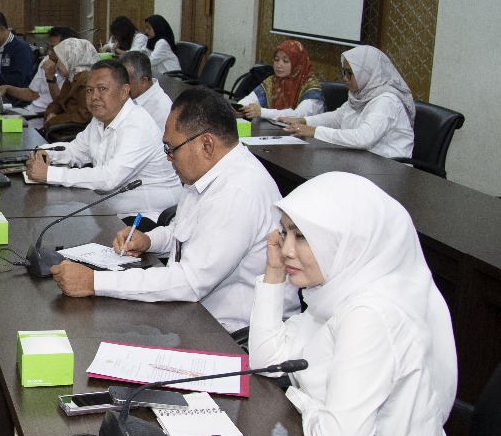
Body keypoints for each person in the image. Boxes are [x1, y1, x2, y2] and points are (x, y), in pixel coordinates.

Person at [248, 172, 457, 436]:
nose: (286, 249)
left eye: (301, 236)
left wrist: (300, 399)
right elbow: (266, 361)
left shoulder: (369, 312)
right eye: (285, 231)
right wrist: (274, 273)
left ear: (346, 241)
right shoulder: (335, 290)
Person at [52, 87, 296, 332]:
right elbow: (184, 232)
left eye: (171, 149)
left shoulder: (238, 192)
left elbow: (190, 282)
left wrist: (94, 282)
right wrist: (149, 240)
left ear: (207, 145)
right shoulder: (209, 172)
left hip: (232, 332)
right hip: (198, 312)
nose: (168, 158)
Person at [26, 59, 181, 218]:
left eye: (102, 89)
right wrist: (45, 152)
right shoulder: (100, 119)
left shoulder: (137, 126)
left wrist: (50, 174)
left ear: (124, 91)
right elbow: (75, 151)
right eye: (89, 90)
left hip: (145, 218)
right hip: (106, 209)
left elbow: (109, 179)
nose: (94, 97)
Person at [281, 46, 414, 158]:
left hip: (389, 170)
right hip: (362, 160)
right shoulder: (361, 94)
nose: (345, 78)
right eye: (344, 72)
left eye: (350, 73)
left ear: (367, 73)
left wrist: (315, 131)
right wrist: (304, 121)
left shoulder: (387, 100)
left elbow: (364, 138)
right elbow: (337, 118)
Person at [0, 31, 86, 116]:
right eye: (49, 47)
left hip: (43, 116)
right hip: (30, 111)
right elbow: (32, 94)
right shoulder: (47, 60)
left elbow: (61, 105)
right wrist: (8, 88)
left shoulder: (76, 71)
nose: (49, 52)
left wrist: (51, 78)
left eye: (54, 49)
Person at [236, 39, 323, 120]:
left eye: (285, 61)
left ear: (298, 64)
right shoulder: (273, 81)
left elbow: (299, 115)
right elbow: (251, 99)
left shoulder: (311, 88)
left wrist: (262, 112)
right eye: (276, 60)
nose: (279, 65)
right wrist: (241, 109)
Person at [35, 37, 98, 130]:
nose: (56, 66)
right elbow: (57, 103)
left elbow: (84, 116)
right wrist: (50, 114)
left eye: (60, 60)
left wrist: (54, 120)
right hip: (58, 130)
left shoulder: (86, 81)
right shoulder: (71, 78)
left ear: (71, 58)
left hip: (70, 134)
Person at [122, 49, 170, 130]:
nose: (121, 86)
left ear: (143, 81)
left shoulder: (162, 109)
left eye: (126, 81)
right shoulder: (133, 95)